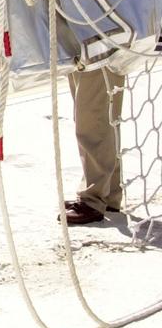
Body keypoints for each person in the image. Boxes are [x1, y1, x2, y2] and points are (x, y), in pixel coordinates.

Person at [63, 68, 127, 225]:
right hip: (91, 47)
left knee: (91, 119)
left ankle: (93, 199)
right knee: (100, 115)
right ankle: (108, 195)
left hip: (98, 48)